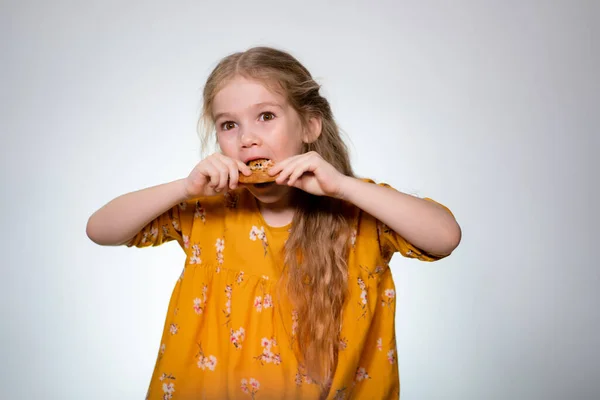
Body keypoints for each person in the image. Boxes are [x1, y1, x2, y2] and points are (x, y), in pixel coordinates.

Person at [86, 46, 461, 400]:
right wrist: (184, 188)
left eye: (266, 117)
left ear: (310, 126)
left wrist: (345, 187)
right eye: (228, 125)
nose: (247, 139)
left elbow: (444, 237)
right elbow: (101, 229)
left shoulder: (358, 209)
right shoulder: (206, 209)